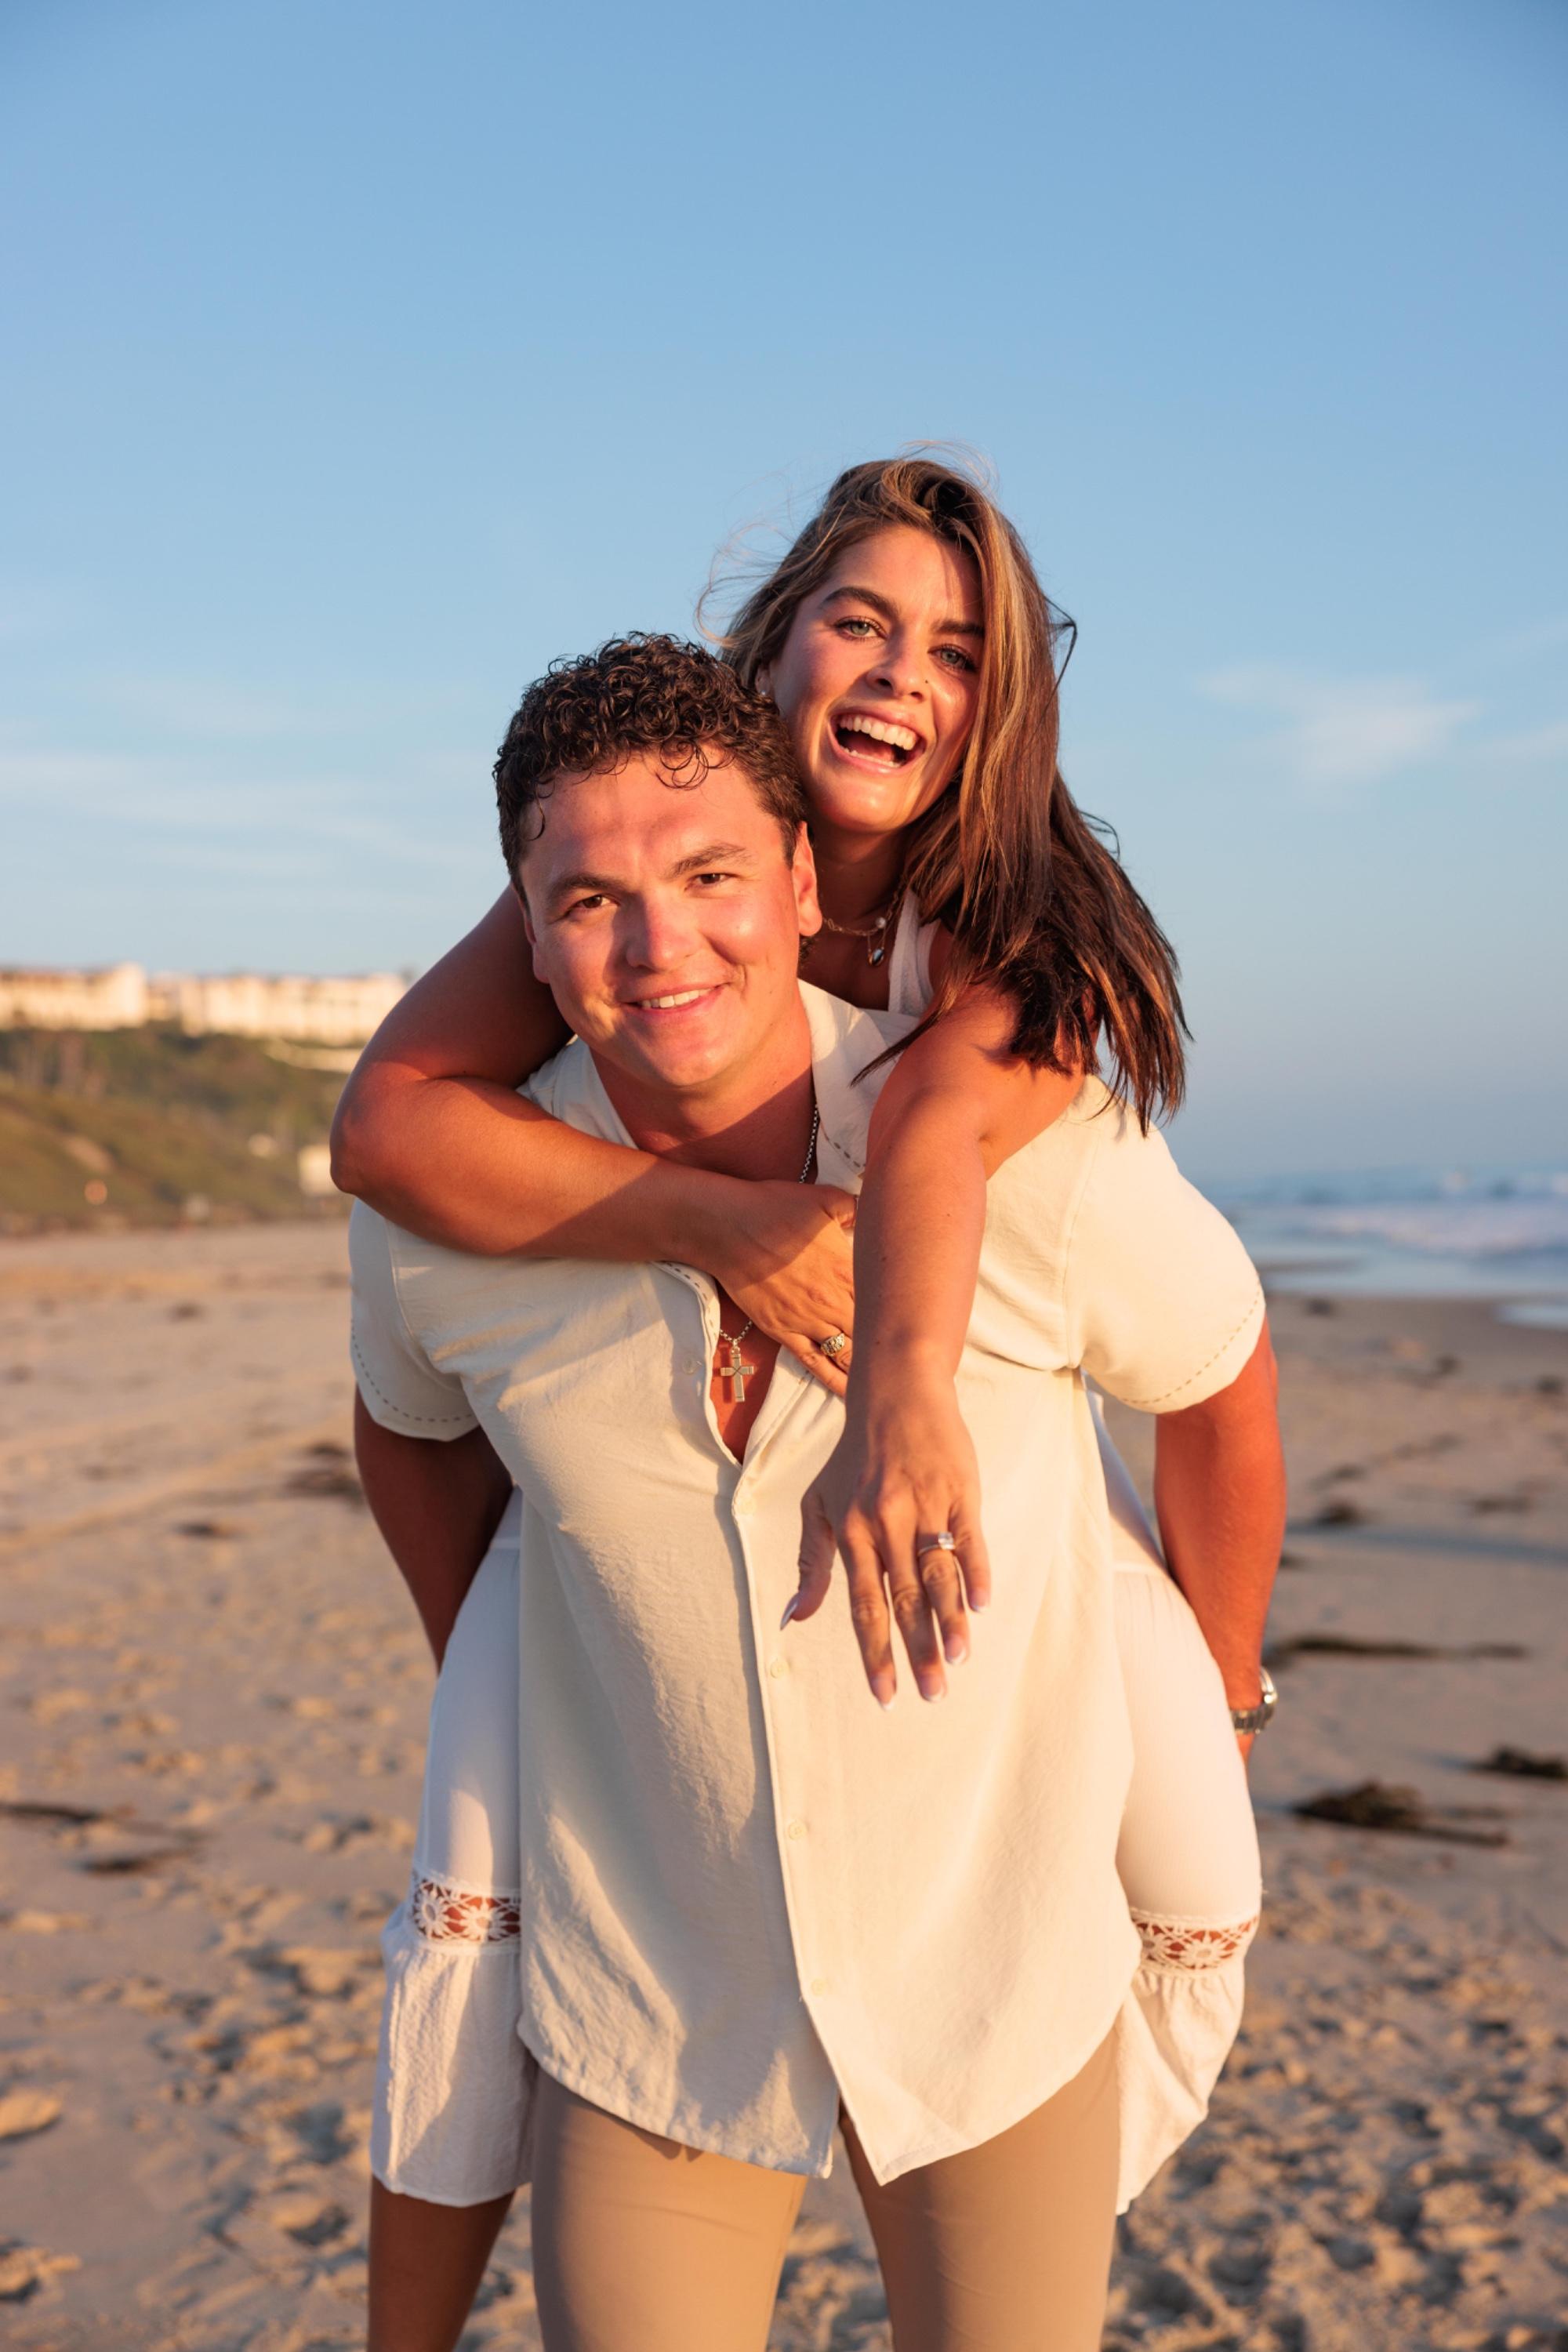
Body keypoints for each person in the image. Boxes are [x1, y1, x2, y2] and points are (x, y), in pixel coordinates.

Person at [348, 636, 1285, 2351]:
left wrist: (1217, 1687)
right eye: (587, 901)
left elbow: (1219, 1367)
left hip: (989, 1977)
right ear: (523, 936)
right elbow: (403, 1424)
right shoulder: (449, 1222)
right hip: (656, 1997)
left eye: (710, 876)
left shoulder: (1028, 1152)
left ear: (799, 880)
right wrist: (517, 1650)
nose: (658, 946)